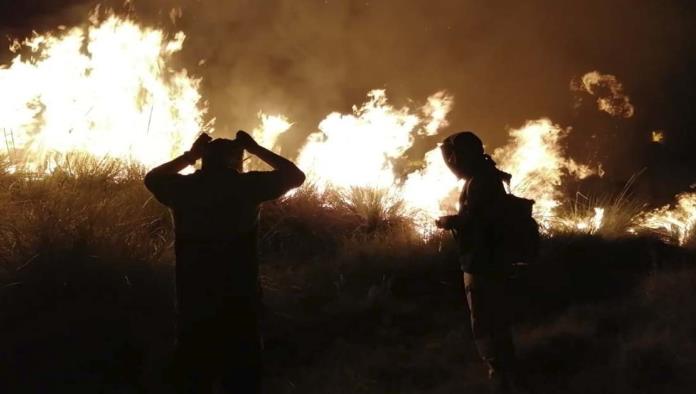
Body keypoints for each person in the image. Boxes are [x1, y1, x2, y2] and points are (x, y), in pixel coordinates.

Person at [144, 130, 305, 394]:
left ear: (205, 160)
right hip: (239, 297)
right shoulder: (246, 187)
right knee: (242, 374)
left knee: (194, 373)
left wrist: (190, 156)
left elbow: (152, 178)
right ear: (236, 162)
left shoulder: (184, 189)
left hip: (194, 296)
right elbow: (295, 176)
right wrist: (255, 148)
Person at [435, 131, 525, 393]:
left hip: (482, 264)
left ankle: (500, 377)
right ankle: (508, 373)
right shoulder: (484, 177)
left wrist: (450, 221)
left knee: (486, 321)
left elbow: (478, 220)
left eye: (451, 157)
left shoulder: (480, 182)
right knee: (496, 319)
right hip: (488, 261)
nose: (450, 163)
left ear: (462, 156)